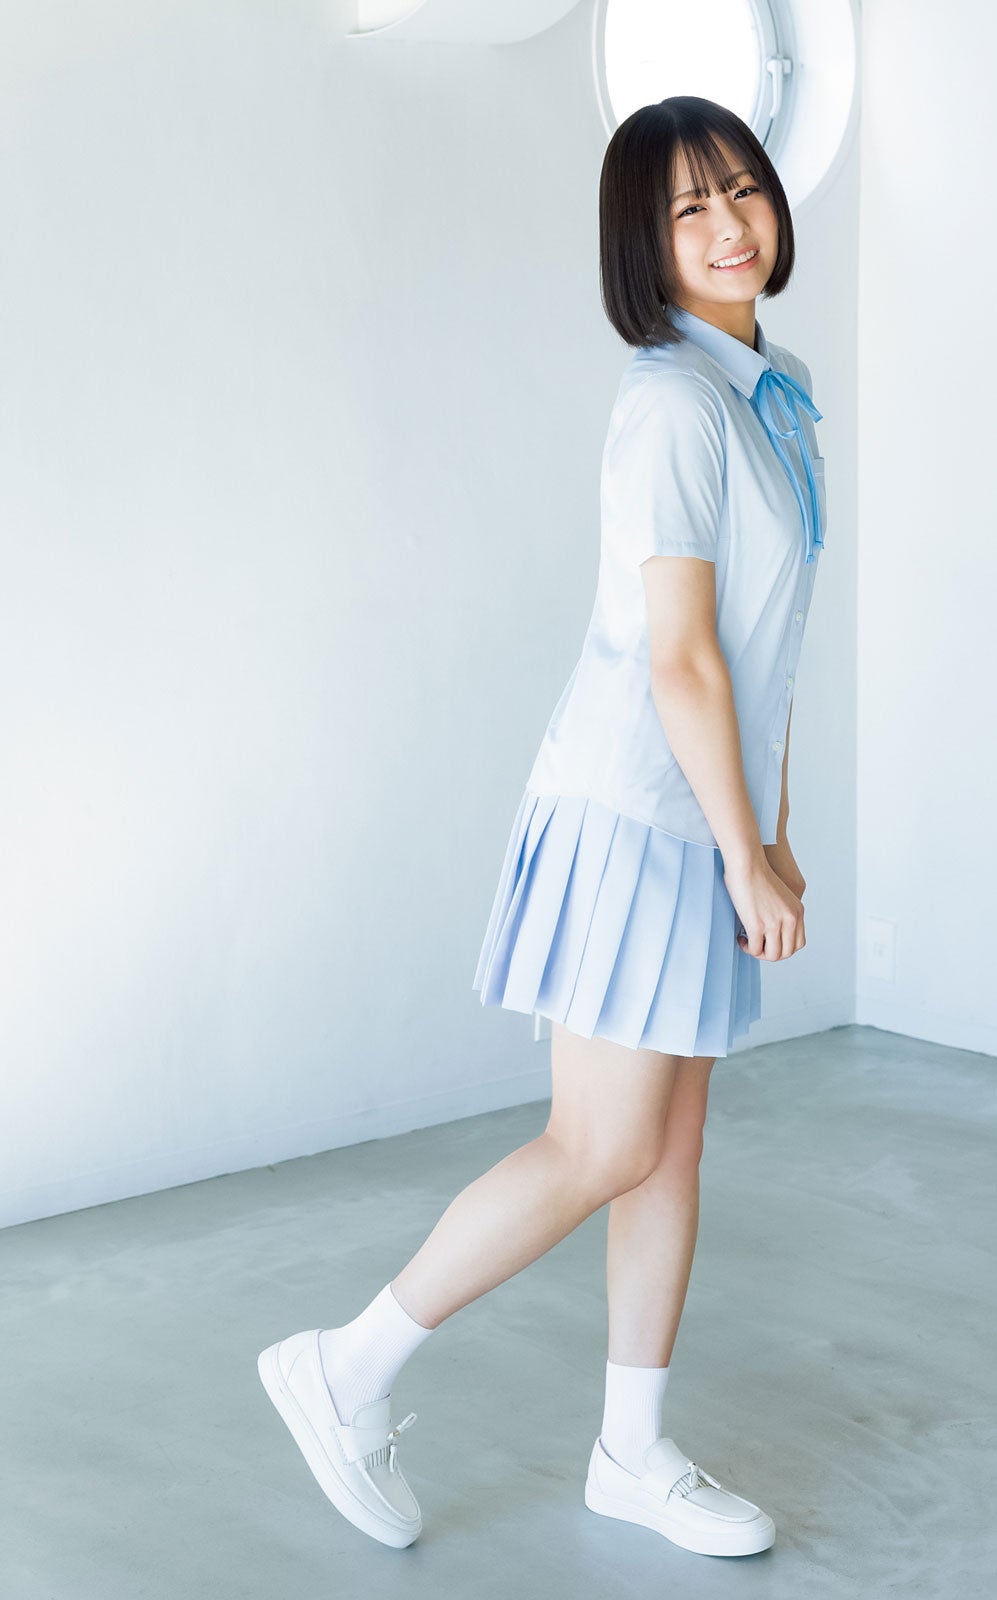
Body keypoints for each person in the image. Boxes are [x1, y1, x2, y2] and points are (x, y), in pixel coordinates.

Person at [257, 94, 827, 1560]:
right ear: (643, 242)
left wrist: (768, 829)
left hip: (703, 814)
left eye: (742, 189)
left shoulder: (771, 391)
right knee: (600, 1143)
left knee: (671, 1148)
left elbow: (765, 650)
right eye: (688, 207)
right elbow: (679, 656)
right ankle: (344, 1367)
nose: (728, 224)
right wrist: (742, 848)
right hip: (638, 814)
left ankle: (632, 1452)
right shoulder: (673, 402)